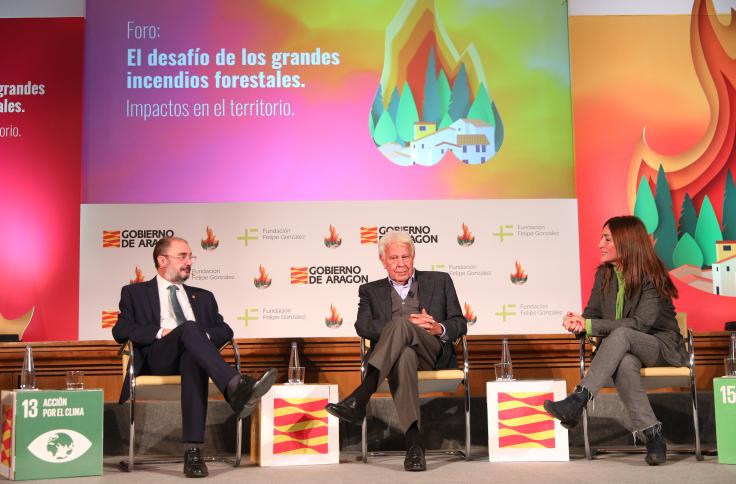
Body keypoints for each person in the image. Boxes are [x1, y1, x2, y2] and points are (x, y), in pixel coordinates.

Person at [112, 236, 277, 478]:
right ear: (162, 260)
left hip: (193, 359)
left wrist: (198, 338)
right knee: (189, 328)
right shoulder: (135, 293)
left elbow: (224, 331)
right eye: (183, 256)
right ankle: (234, 385)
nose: (189, 262)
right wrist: (162, 332)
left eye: (191, 257)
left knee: (193, 355)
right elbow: (121, 330)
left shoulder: (204, 296)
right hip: (157, 359)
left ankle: (193, 452)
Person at [543, 215, 688, 466]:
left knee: (622, 335)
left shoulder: (652, 275)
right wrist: (579, 324)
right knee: (624, 364)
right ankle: (653, 436)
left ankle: (578, 400)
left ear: (627, 242)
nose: (600, 244)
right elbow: (592, 316)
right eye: (601, 237)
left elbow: (639, 324)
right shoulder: (604, 276)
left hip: (660, 347)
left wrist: (590, 324)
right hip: (624, 351)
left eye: (607, 239)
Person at [325, 230, 467, 471]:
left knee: (403, 326)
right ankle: (414, 446)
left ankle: (361, 396)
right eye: (394, 258)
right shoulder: (370, 290)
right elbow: (363, 326)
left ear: (413, 256)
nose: (401, 264)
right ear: (383, 260)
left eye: (406, 257)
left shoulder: (440, 280)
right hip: (397, 359)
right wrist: (405, 326)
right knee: (404, 354)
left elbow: (459, 322)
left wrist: (437, 327)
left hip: (431, 352)